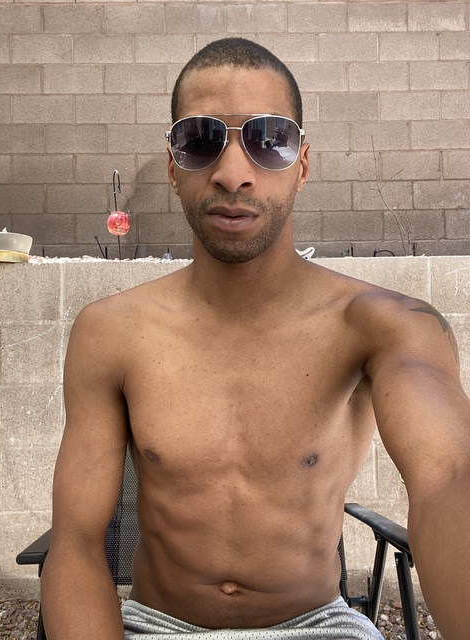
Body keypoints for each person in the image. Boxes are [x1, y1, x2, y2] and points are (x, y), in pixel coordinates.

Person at [41, 38, 470, 640]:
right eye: (200, 139)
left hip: (316, 626)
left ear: (303, 164)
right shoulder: (110, 332)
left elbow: (449, 477)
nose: (233, 173)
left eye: (270, 140)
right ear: (173, 167)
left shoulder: (386, 325)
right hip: (156, 626)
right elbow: (77, 544)